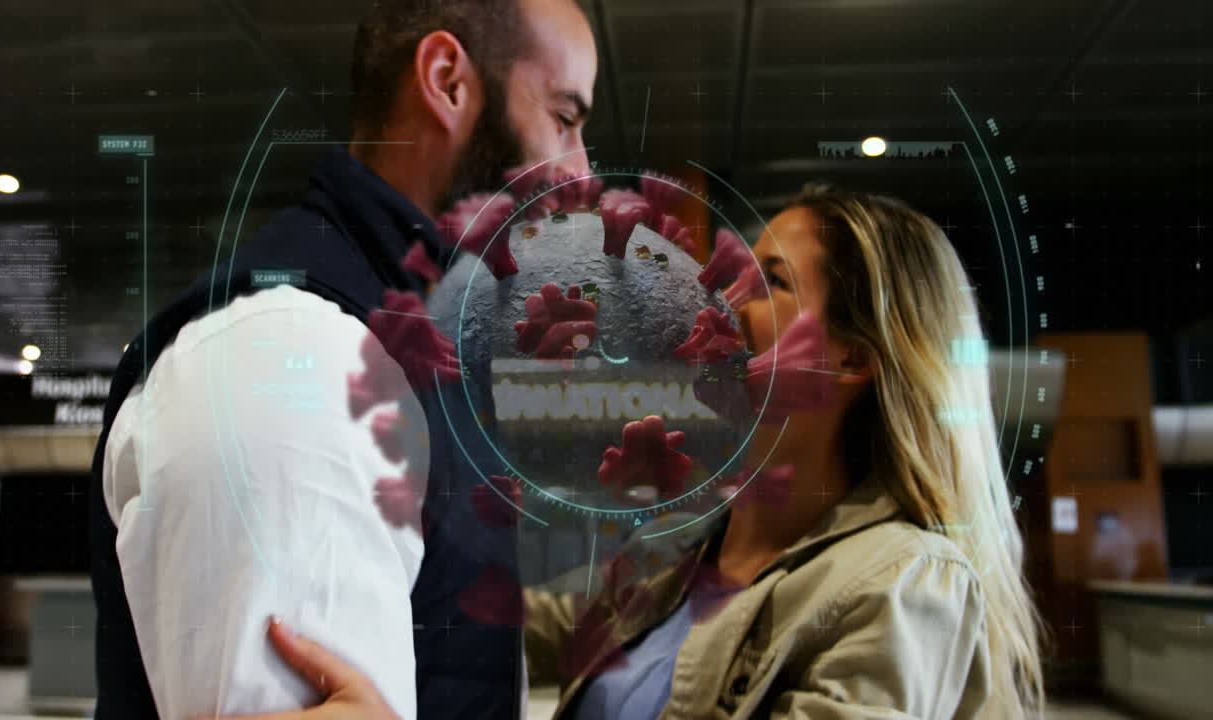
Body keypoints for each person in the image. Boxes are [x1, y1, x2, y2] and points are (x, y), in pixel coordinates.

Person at [231, 184, 1047, 719]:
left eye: (770, 283)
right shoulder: (682, 553)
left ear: (852, 358)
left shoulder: (907, 584)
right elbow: (499, 623)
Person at [87, 0, 597, 718]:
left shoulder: (408, 345)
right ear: (448, 80)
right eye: (565, 119)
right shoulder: (294, 357)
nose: (581, 174)